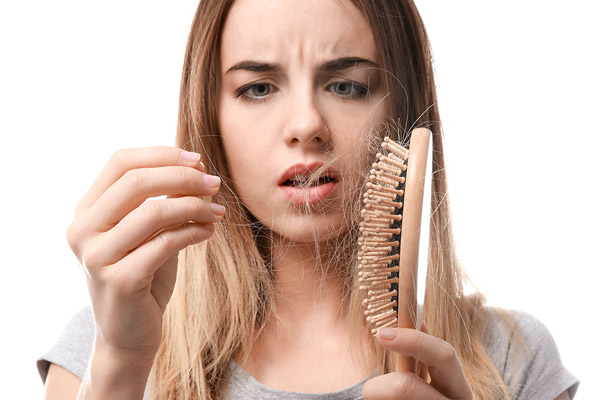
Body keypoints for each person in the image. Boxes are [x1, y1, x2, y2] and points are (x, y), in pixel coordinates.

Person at [38, 0, 579, 399]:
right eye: (258, 88)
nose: (306, 126)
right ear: (210, 120)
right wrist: (121, 363)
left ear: (404, 111)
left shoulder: (512, 358)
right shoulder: (108, 342)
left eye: (346, 86)